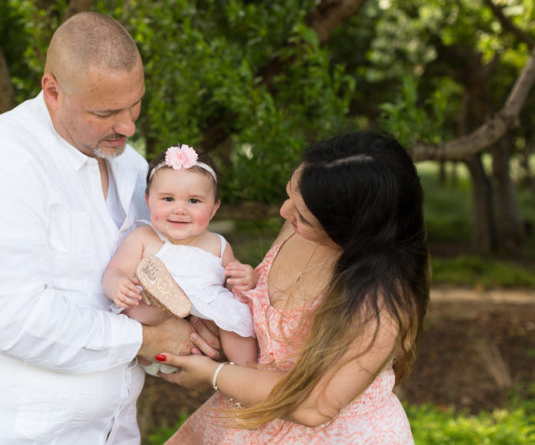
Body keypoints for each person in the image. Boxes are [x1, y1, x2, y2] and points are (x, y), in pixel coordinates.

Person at [0, 12, 209, 444]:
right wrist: (144, 340)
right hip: (11, 432)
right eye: (107, 112)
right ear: (52, 91)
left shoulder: (130, 167)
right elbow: (15, 320)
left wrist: (188, 345)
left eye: (135, 104)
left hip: (112, 431)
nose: (128, 126)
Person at [158, 131, 430, 444]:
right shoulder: (306, 221)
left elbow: (315, 406)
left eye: (301, 215)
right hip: (251, 416)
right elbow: (268, 328)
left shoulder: (382, 302)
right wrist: (221, 333)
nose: (284, 212)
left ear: (351, 232)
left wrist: (213, 375)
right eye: (290, 193)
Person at [103, 144, 259, 373]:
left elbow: (231, 285)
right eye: (168, 199)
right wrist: (118, 284)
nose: (180, 210)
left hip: (205, 307)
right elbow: (115, 270)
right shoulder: (143, 237)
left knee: (235, 318)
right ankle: (164, 304)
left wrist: (246, 278)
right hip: (156, 311)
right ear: (148, 201)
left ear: (214, 208)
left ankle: (245, 371)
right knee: (139, 307)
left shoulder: (219, 245)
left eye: (194, 201)